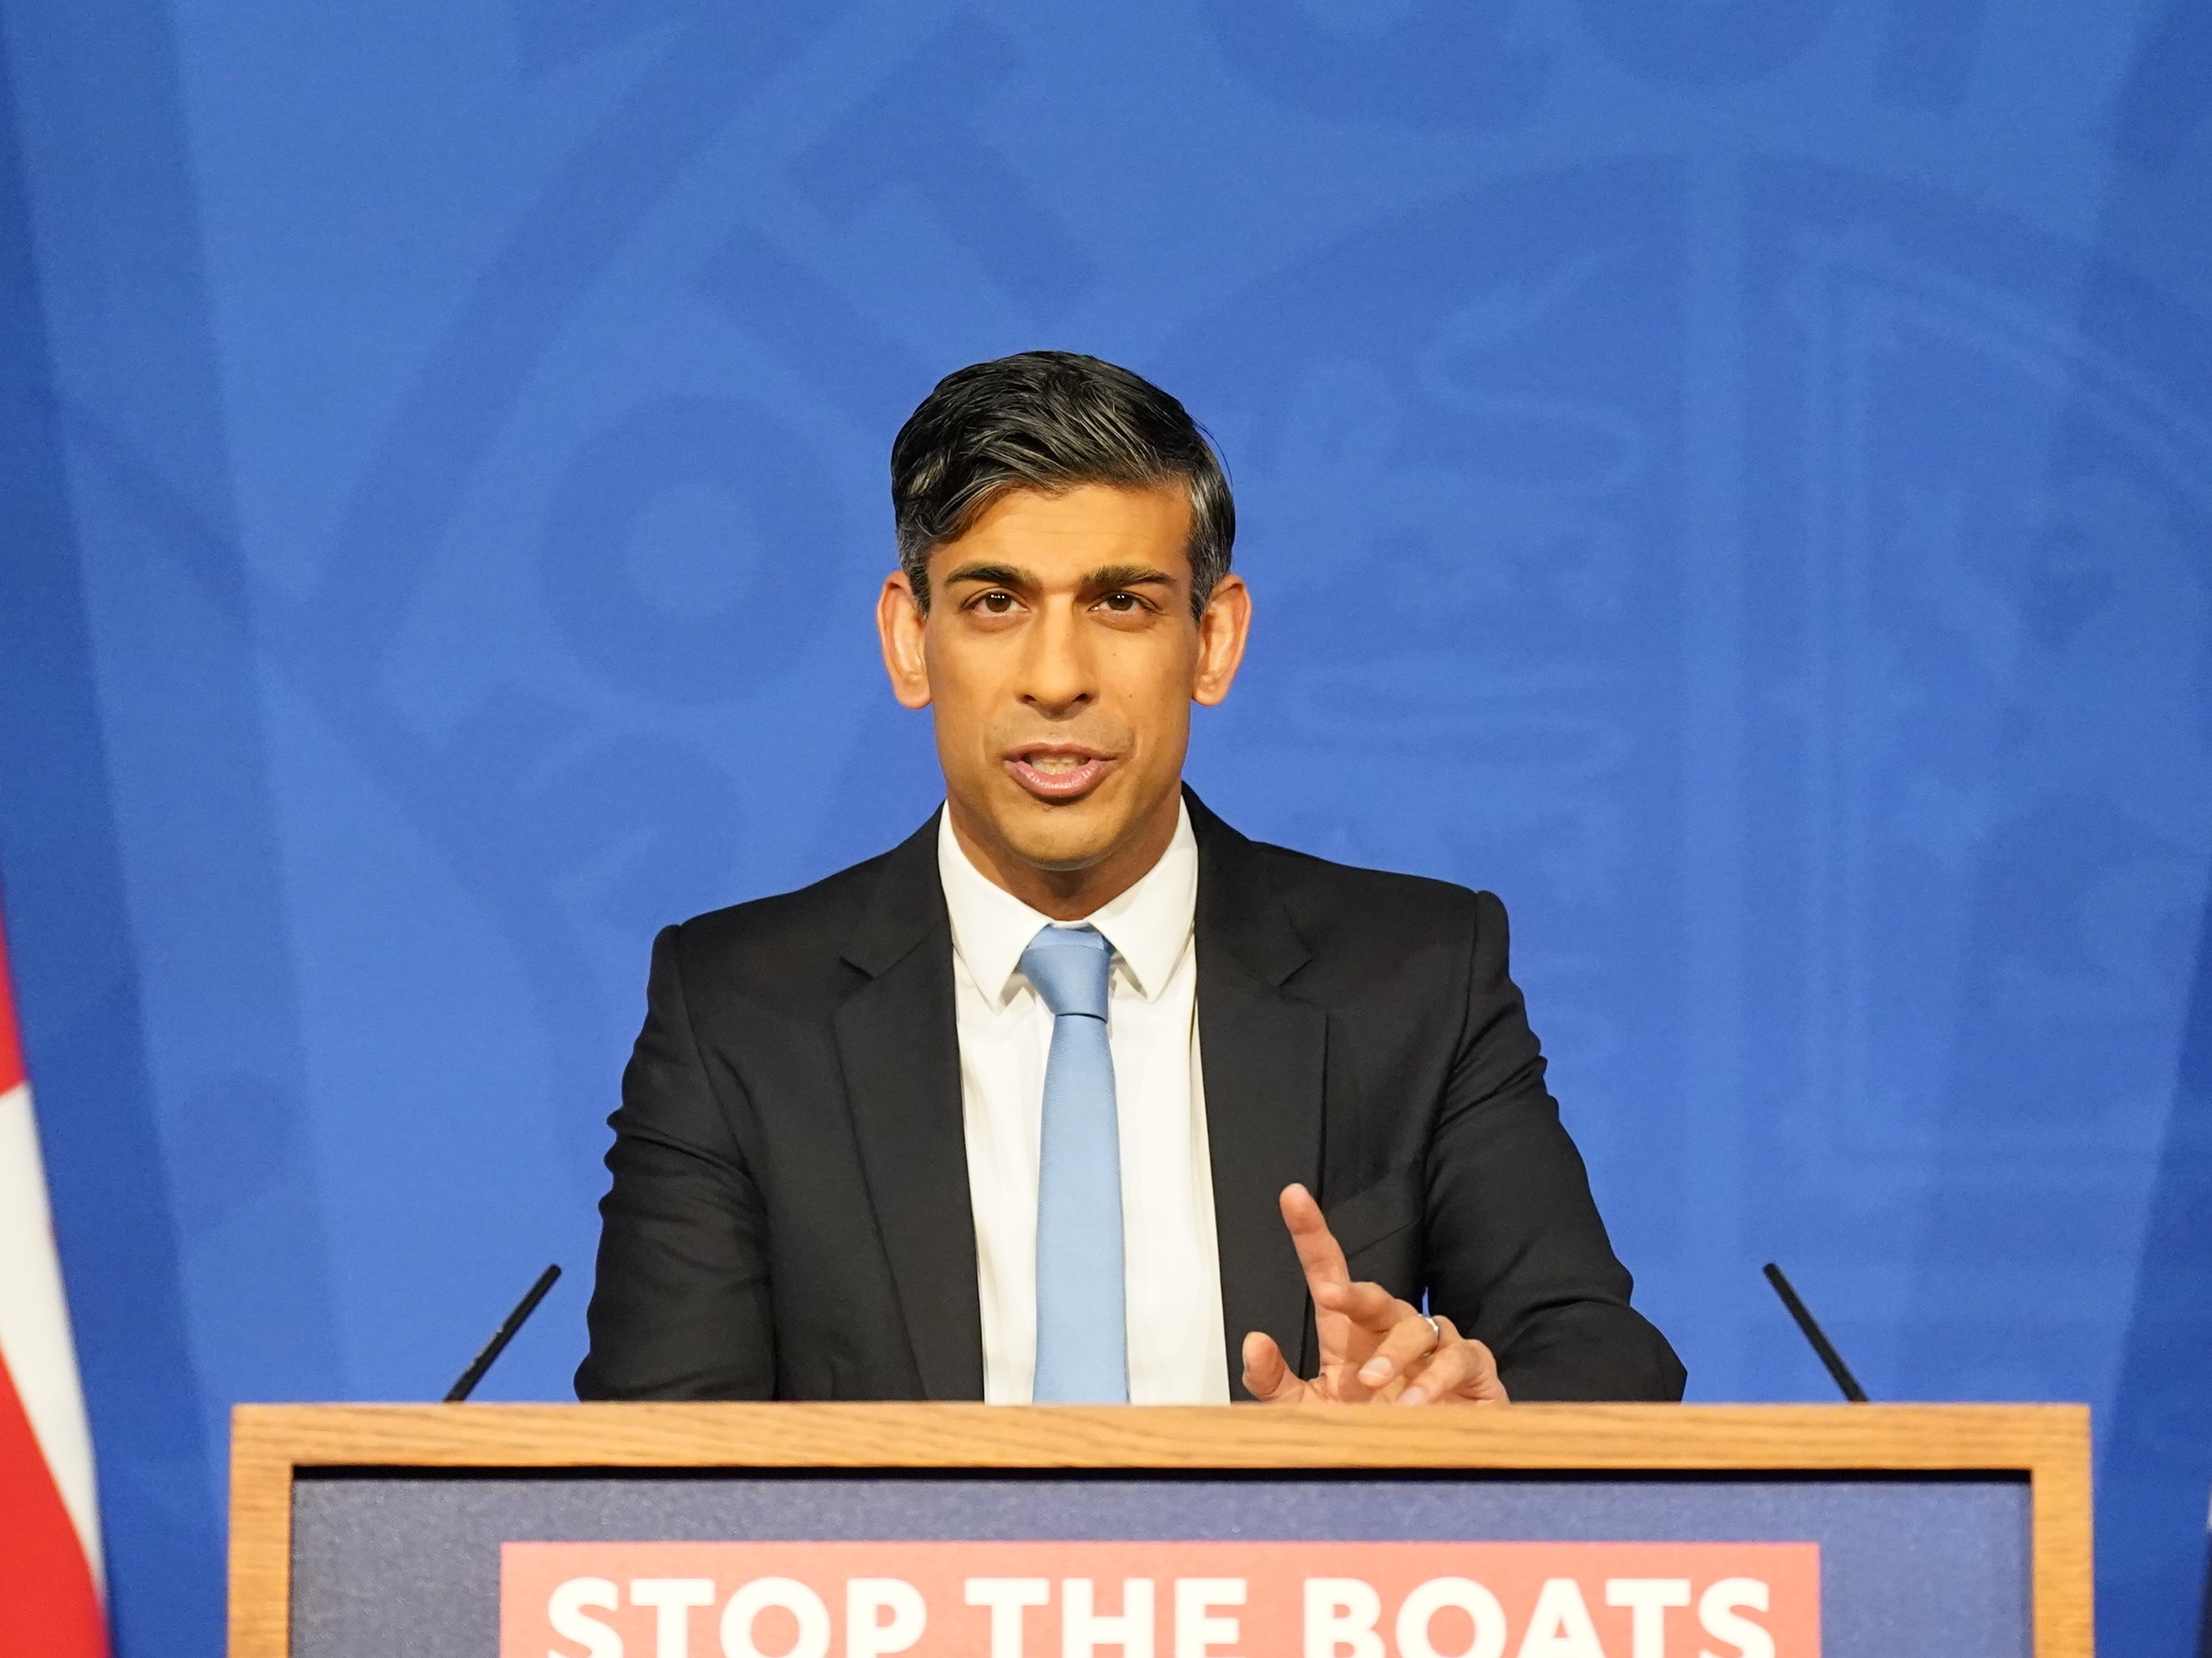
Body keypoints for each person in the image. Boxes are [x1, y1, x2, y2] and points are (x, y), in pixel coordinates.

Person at [578, 352, 1684, 1408]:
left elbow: (1595, 1358)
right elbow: (655, 1468)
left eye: (1122, 604)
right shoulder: (735, 1012)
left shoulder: (1419, 979)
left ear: (1214, 640)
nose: (1057, 678)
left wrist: (1454, 1424)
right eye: (995, 603)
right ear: (911, 641)